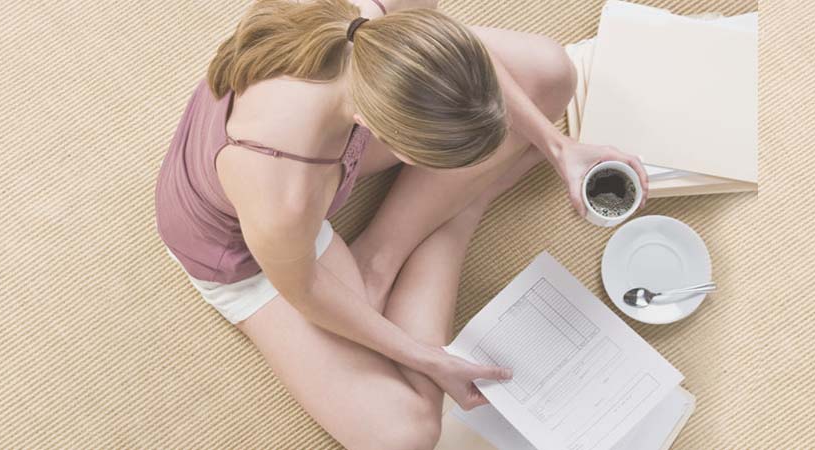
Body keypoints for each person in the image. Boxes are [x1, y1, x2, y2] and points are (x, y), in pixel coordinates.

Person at [152, 0, 645, 447]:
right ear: (392, 144)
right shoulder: (283, 194)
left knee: (550, 73)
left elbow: (451, 40)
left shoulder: (376, 18)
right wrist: (426, 357)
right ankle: (453, 221)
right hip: (247, 247)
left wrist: (559, 147)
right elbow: (306, 292)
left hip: (336, 121)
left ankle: (392, 251)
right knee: (408, 433)